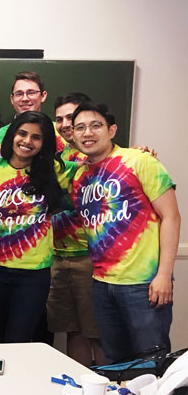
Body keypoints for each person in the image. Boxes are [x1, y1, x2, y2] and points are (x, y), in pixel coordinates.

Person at [70, 102, 179, 363]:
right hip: (102, 284)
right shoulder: (80, 177)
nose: (88, 133)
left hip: (143, 285)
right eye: (80, 128)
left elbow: (171, 217)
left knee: (152, 362)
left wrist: (163, 275)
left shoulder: (140, 161)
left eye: (96, 126)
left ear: (112, 130)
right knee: (117, 362)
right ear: (72, 135)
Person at [0, 111, 73, 344]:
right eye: (22, 133)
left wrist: (136, 152)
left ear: (45, 143)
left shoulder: (56, 171)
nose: (27, 141)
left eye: (36, 137)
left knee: (21, 341)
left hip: (34, 274)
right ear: (12, 135)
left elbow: (95, 164)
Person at [45, 92, 106, 365]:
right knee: (74, 330)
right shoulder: (57, 158)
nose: (65, 124)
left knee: (98, 333)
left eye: (72, 117)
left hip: (90, 257)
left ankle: (110, 393)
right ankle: (82, 389)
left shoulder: (101, 157)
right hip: (58, 257)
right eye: (59, 119)